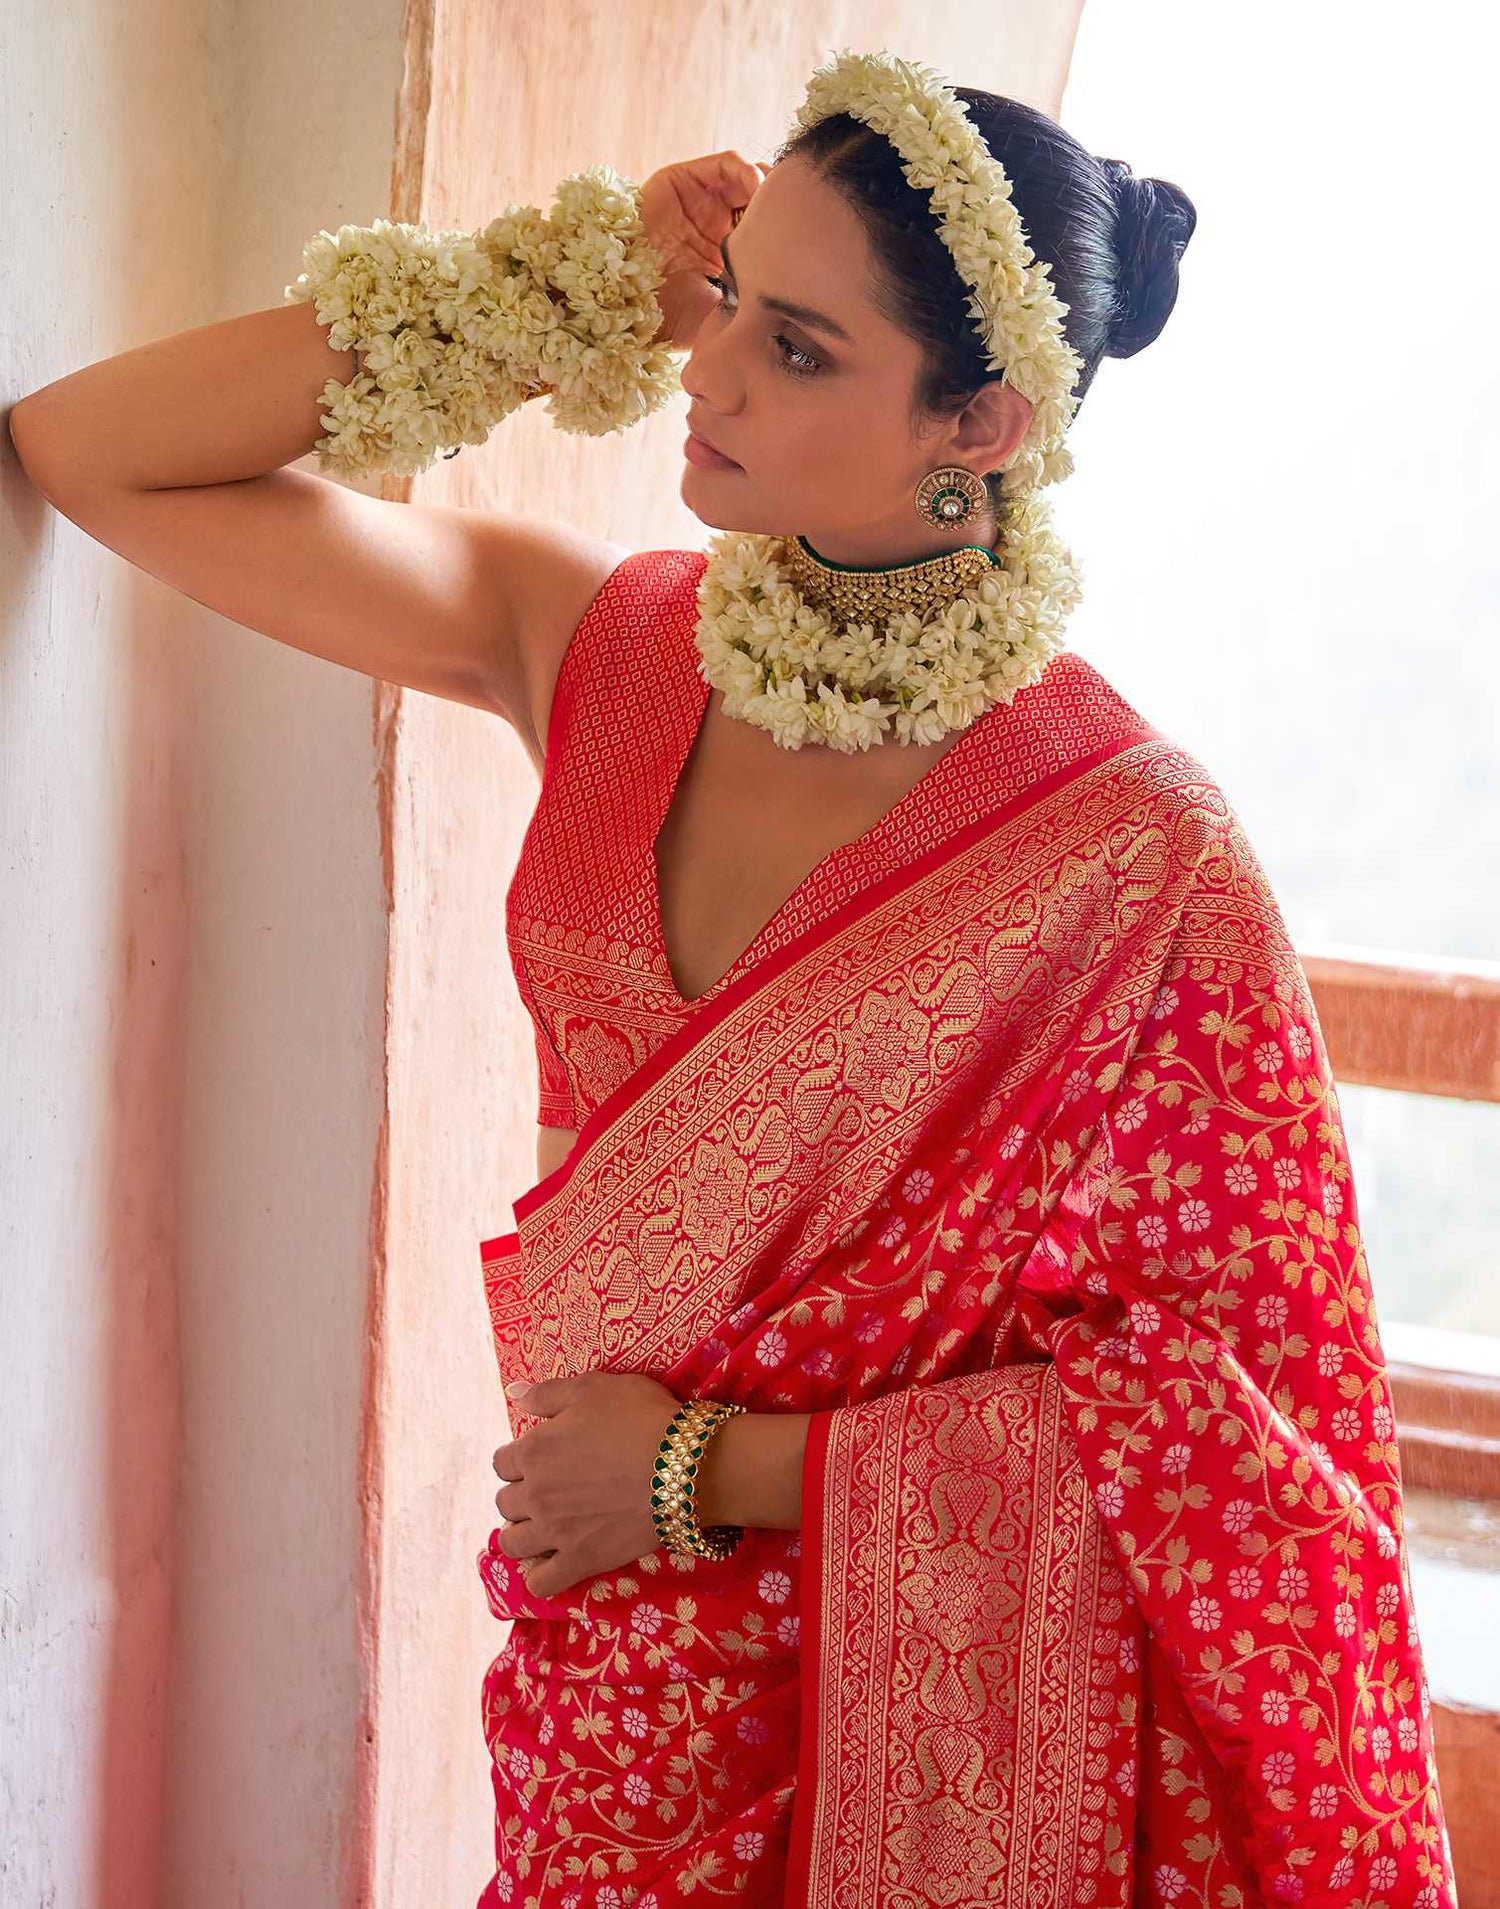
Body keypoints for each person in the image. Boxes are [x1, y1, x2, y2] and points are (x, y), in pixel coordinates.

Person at [11, 44, 1455, 1909]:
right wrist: (566, 286)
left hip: (913, 1728)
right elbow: (88, 450)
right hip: (607, 1686)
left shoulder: (1134, 855)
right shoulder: (600, 650)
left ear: (984, 427)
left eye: (797, 344)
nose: (708, 372)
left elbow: (1242, 1445)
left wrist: (713, 1467)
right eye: (724, 305)